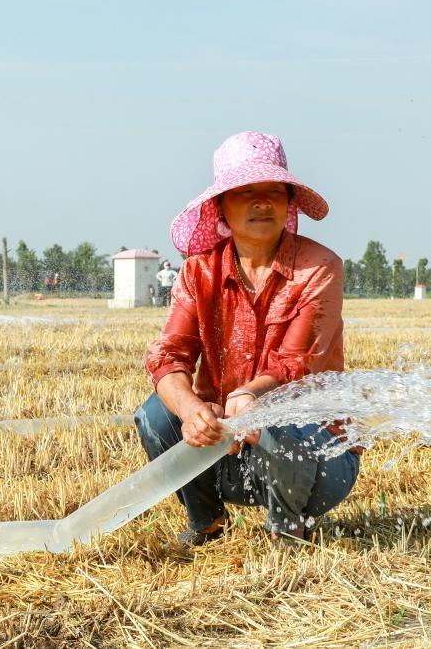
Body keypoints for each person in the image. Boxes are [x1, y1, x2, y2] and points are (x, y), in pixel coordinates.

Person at [135, 131, 359, 546]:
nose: (262, 201)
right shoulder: (198, 272)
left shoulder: (320, 268)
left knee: (273, 417)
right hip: (230, 452)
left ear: (289, 202)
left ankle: (288, 527)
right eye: (246, 192)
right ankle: (207, 522)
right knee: (155, 414)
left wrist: (251, 394)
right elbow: (167, 356)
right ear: (220, 207)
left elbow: (298, 363)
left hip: (315, 455)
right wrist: (189, 410)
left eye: (274, 191)